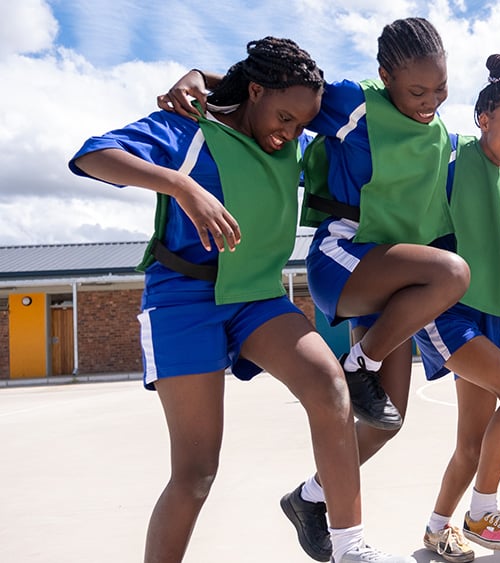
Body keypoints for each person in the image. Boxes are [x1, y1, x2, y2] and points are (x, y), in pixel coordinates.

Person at [71, 37, 411, 563]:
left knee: (330, 386)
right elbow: (94, 155)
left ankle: (350, 548)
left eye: (302, 124)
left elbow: (259, 94)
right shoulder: (190, 127)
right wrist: (181, 186)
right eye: (284, 117)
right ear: (255, 91)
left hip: (255, 294)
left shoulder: (288, 124)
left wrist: (202, 74)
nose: (292, 133)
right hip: (183, 298)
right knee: (196, 473)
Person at [158, 18, 469, 562]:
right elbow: (263, 87)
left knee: (388, 420)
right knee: (451, 272)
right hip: (346, 255)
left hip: (395, 272)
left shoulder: (441, 134)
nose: (430, 101)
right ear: (384, 76)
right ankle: (360, 365)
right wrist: (195, 76)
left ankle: (309, 499)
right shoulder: (352, 103)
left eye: (440, 89)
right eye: (417, 91)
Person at [411, 54, 500, 562]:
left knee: (473, 442)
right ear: (482, 120)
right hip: (449, 309)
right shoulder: (454, 153)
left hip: (490, 315)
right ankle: (483, 513)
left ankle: (437, 528)